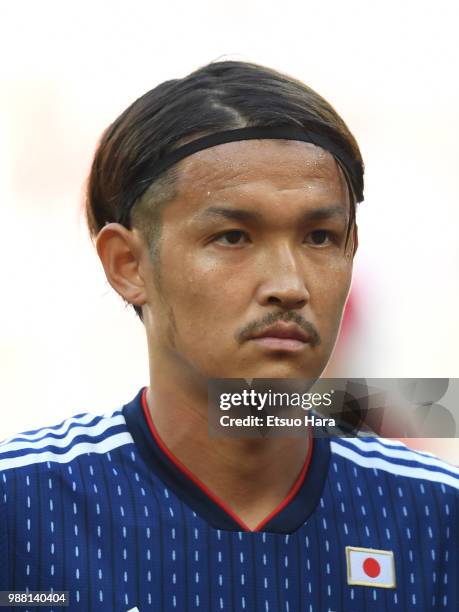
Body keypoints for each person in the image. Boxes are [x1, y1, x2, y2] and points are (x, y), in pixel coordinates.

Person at [0, 60, 457, 612]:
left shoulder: (436, 521)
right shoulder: (21, 509)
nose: (289, 286)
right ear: (128, 264)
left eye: (319, 236)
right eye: (233, 236)